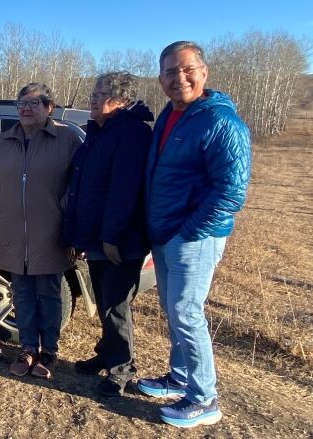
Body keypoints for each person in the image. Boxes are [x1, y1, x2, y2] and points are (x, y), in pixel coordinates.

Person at [136, 41, 251, 428]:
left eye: (186, 70)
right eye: (170, 72)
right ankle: (179, 377)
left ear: (203, 72)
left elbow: (231, 191)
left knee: (186, 312)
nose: (178, 78)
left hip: (193, 236)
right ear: (160, 79)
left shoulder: (220, 121)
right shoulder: (171, 116)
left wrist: (189, 232)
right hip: (166, 232)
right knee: (173, 310)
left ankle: (204, 399)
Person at [0, 82, 82, 378]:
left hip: (49, 231)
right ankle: (27, 348)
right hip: (11, 231)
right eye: (22, 103)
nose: (25, 108)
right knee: (21, 293)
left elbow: (78, 183)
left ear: (48, 107)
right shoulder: (3, 141)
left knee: (49, 293)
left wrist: (62, 211)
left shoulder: (66, 139)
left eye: (33, 103)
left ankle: (49, 351)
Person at [62, 72, 153, 396]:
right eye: (94, 93)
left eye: (102, 94)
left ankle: (122, 370)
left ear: (122, 101)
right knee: (104, 304)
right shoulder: (98, 132)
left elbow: (123, 190)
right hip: (97, 237)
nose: (93, 98)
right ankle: (106, 353)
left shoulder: (130, 133)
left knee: (116, 306)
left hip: (119, 240)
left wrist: (112, 236)